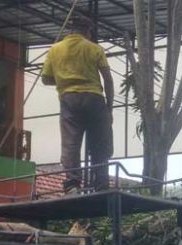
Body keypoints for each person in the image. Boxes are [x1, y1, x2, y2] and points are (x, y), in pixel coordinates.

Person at [42, 15, 114, 193]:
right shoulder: (94, 49)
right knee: (100, 143)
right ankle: (101, 184)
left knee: (71, 143)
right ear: (87, 31)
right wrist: (109, 108)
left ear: (71, 30)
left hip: (69, 100)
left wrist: (64, 81)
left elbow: (45, 79)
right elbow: (108, 79)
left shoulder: (55, 50)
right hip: (94, 98)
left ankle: (72, 183)